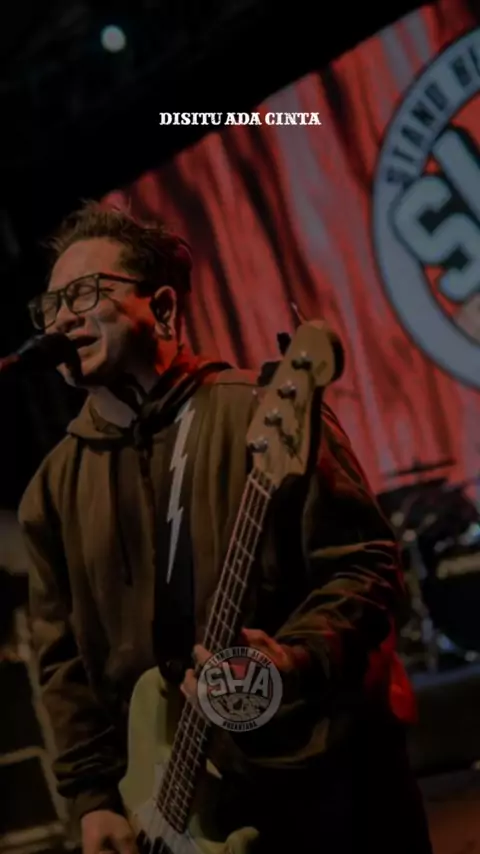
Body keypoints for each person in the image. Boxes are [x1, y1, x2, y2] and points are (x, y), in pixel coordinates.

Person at [18, 201, 432, 854]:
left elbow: (366, 565)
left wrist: (294, 658)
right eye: (51, 305)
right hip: (169, 810)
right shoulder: (52, 489)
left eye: (86, 293)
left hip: (321, 783)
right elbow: (62, 661)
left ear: (162, 308)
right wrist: (93, 799)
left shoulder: (262, 412)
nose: (62, 318)